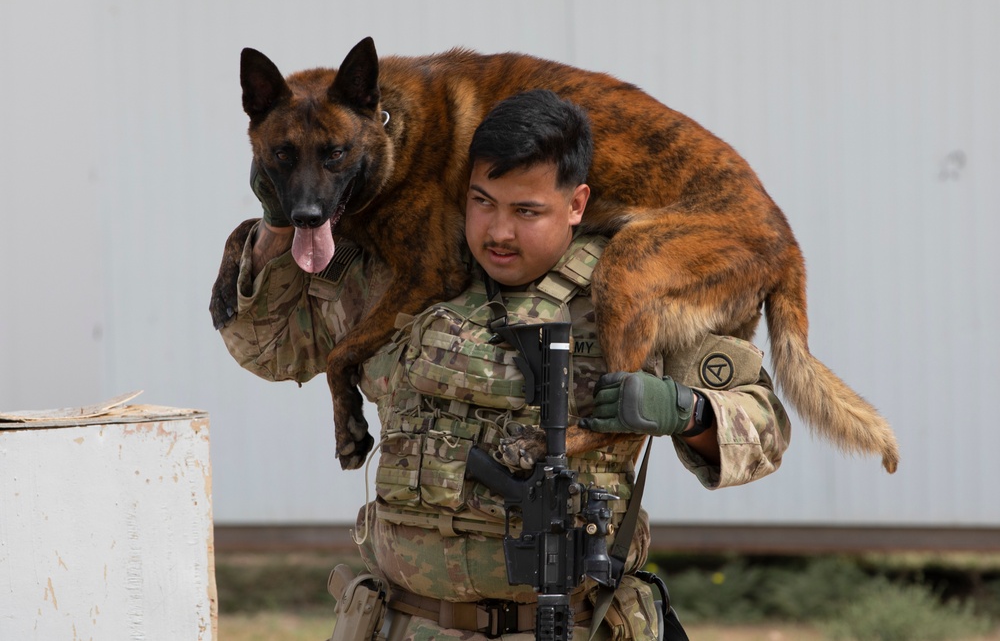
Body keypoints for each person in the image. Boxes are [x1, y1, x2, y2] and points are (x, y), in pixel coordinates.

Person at [217, 89, 791, 640]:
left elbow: (764, 430)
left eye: (527, 211)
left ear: (577, 204)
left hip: (573, 622)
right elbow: (267, 350)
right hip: (408, 624)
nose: (498, 231)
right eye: (482, 203)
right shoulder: (404, 276)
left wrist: (686, 411)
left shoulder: (635, 292)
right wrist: (277, 222)